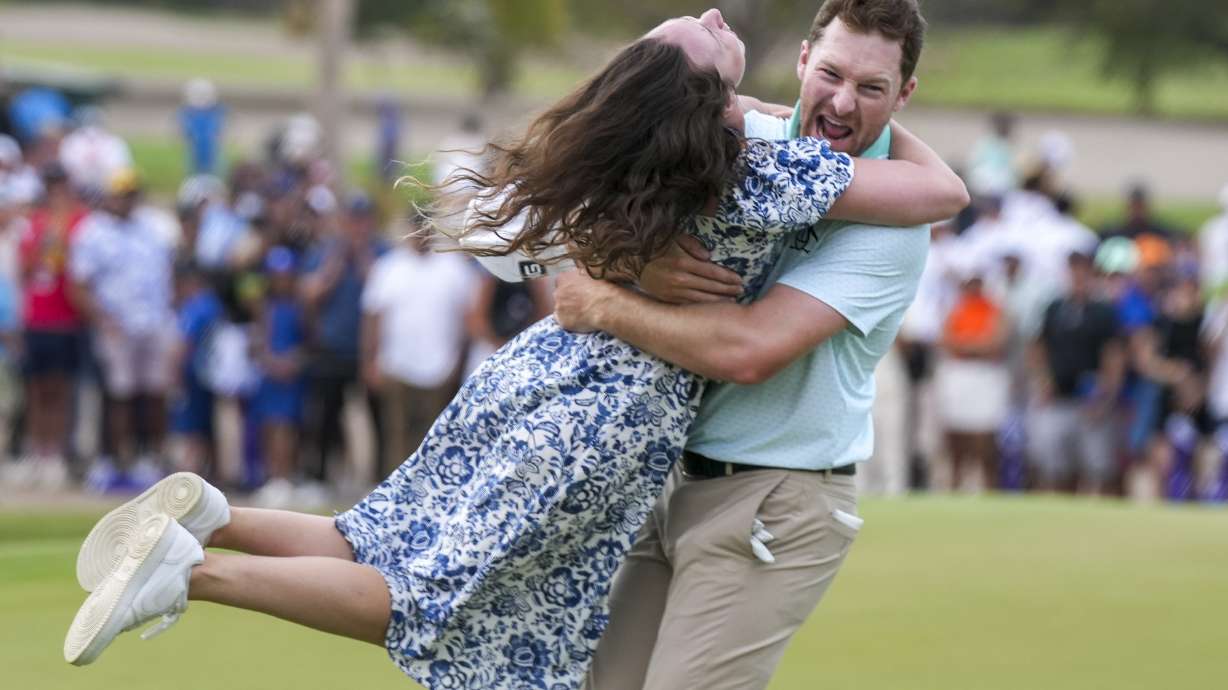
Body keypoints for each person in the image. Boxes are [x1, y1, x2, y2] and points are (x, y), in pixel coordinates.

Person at [63, 12, 967, 690]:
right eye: (698, 32)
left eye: (873, 87)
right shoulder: (764, 166)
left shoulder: (661, 145)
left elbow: (577, 216)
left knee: (382, 536)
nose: (716, 16)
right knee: (430, 598)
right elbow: (942, 190)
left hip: (544, 371)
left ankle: (212, 515)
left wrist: (608, 278)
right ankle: (196, 570)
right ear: (724, 95)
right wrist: (868, 116)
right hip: (617, 420)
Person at [557, 3, 943, 687]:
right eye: (830, 73)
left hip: (774, 501)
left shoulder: (898, 224)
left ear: (904, 96)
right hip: (671, 483)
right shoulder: (741, 130)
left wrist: (606, 302)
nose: (843, 101)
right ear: (802, 61)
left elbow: (750, 351)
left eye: (873, 87)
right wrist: (630, 265)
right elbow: (596, 189)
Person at [69, 169, 176, 491]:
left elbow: (168, 274)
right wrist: (103, 320)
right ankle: (119, 460)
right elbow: (80, 285)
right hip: (117, 325)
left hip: (154, 323)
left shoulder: (153, 228)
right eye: (121, 194)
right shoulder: (93, 232)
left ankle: (152, 459)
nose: (126, 200)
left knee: (155, 394)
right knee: (120, 395)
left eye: (131, 193)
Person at [360, 211, 475, 478]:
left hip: (441, 365)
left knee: (434, 434)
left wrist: (459, 362)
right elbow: (373, 317)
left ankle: (430, 490)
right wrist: (370, 361)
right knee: (397, 432)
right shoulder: (388, 267)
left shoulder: (454, 268)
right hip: (397, 364)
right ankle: (395, 492)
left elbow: (466, 320)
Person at [1027, 251, 1126, 494]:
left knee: (1098, 467)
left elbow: (1113, 355)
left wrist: (1106, 395)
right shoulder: (1055, 308)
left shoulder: (1102, 311)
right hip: (1060, 396)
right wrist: (1042, 381)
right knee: (1059, 468)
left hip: (1089, 400)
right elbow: (1038, 346)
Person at [15, 163, 86, 486]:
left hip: (65, 318)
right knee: (36, 389)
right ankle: (37, 450)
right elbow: (27, 268)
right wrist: (49, 235)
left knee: (60, 388)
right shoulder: (34, 225)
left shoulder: (80, 223)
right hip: (37, 318)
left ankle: (57, 453)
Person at [251, 246, 308, 507]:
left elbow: (308, 341)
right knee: (270, 426)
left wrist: (292, 361)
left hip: (291, 376)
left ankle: (284, 477)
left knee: (287, 427)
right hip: (270, 375)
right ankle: (272, 476)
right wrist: (270, 361)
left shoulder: (299, 306)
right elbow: (259, 341)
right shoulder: (265, 306)